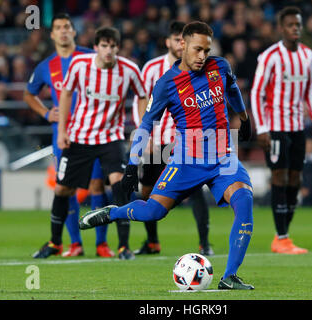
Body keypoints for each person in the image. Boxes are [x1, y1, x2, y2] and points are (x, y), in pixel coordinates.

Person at [79, 22, 255, 290]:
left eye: (206, 50)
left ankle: (229, 277)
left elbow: (231, 89)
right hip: (186, 159)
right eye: (197, 50)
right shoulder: (166, 84)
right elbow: (147, 124)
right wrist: (132, 165)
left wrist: (243, 117)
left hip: (222, 155)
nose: (202, 56)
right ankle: (114, 214)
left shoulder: (220, 67)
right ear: (181, 45)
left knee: (244, 201)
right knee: (152, 211)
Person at [31, 26, 147, 259]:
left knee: (119, 185)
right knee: (63, 188)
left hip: (111, 138)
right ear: (96, 47)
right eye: (104, 46)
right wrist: (62, 130)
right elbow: (65, 94)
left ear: (117, 47)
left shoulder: (129, 70)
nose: (108, 51)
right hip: (80, 137)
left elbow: (142, 95)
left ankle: (123, 246)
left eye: (112, 46)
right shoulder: (81, 65)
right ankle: (55, 242)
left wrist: (141, 127)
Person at [24, 13, 117, 258]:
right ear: (52, 34)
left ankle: (102, 244)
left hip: (94, 132)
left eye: (67, 27)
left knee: (98, 184)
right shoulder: (46, 66)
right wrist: (46, 114)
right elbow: (28, 94)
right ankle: (74, 243)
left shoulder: (90, 56)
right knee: (66, 187)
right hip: (63, 135)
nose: (63, 31)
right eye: (58, 28)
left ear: (74, 31)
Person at [132, 21, 213, 256]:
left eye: (183, 40)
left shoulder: (200, 69)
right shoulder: (151, 68)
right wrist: (143, 135)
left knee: (196, 190)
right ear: (169, 42)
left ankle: (204, 244)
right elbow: (141, 101)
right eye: (176, 39)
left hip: (185, 142)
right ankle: (152, 241)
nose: (180, 44)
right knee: (147, 190)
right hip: (157, 142)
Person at [250, 6, 312, 254]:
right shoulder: (270, 56)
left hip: (297, 128)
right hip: (275, 128)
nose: (296, 28)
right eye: (291, 25)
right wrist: (261, 128)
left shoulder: (307, 55)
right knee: (279, 177)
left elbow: (310, 91)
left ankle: (283, 235)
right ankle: (281, 237)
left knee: (295, 178)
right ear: (281, 28)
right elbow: (257, 93)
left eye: (298, 25)